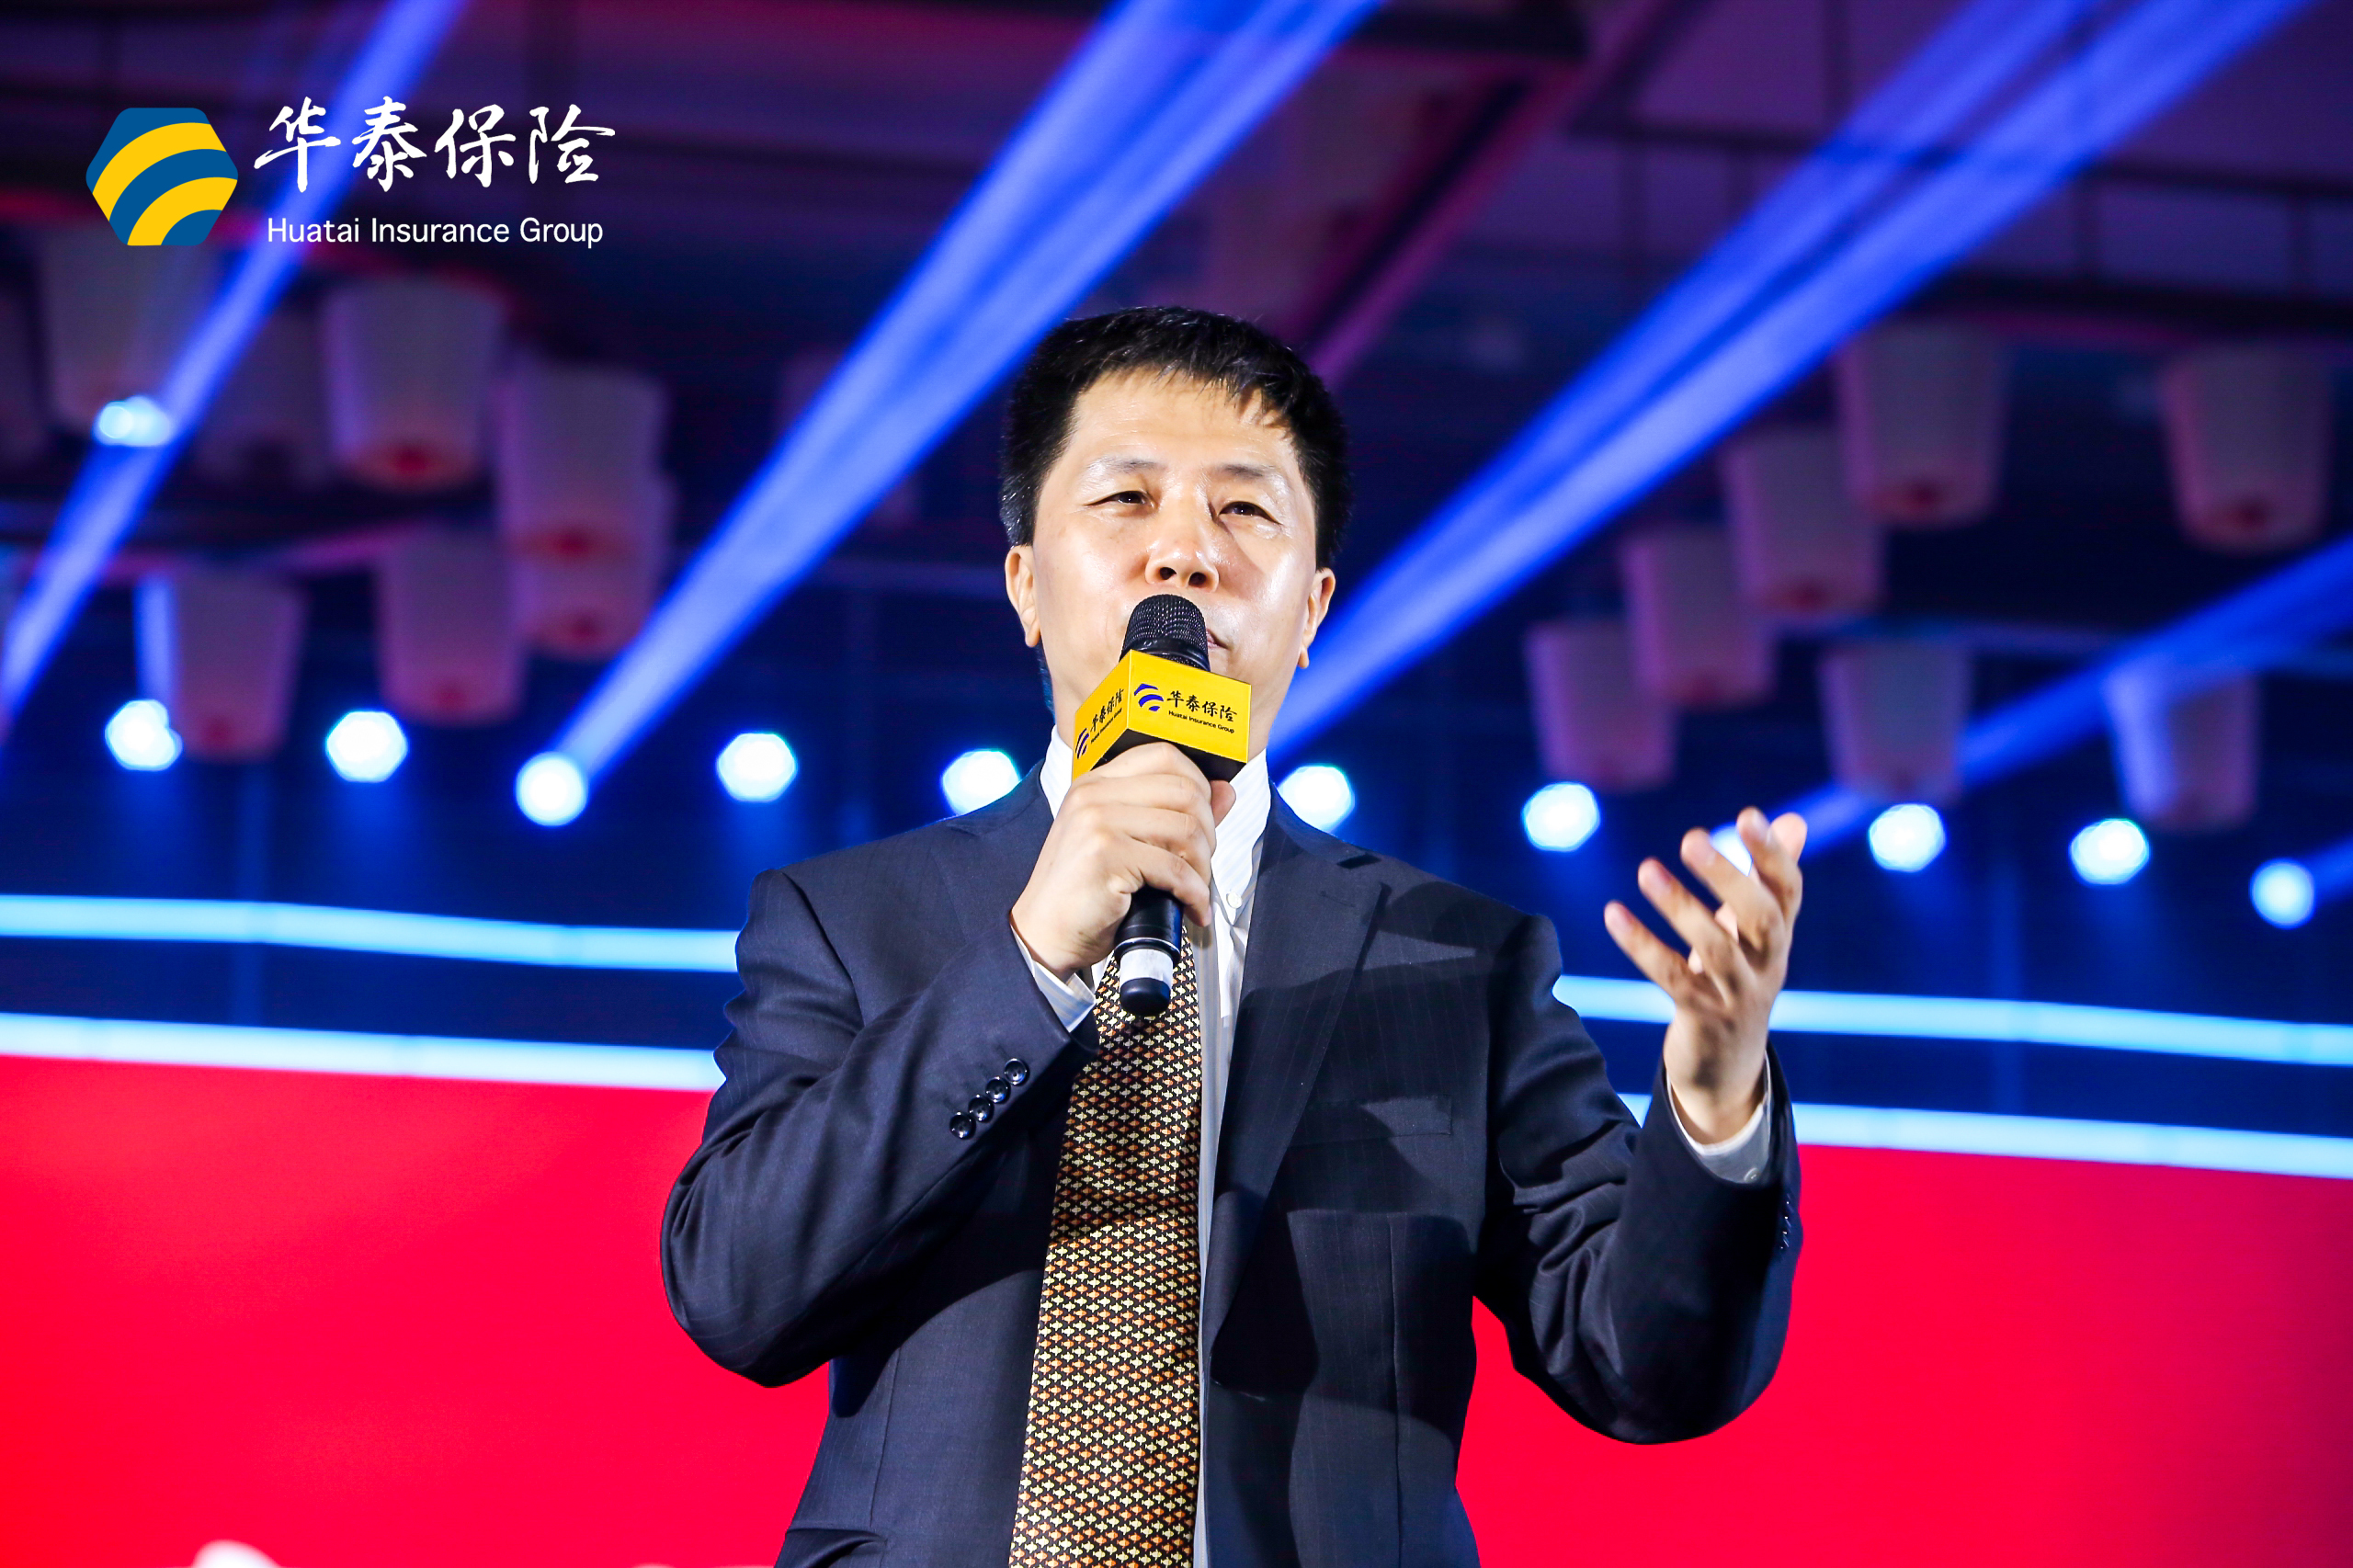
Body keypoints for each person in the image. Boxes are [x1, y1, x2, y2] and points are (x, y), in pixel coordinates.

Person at [662, 306, 1807, 1568]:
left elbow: (1651, 1365)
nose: (1185, 554)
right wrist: (1031, 957)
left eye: (1245, 510)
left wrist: (1716, 1106)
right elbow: (739, 1292)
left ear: (1312, 612)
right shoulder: (848, 917)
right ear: (1027, 584)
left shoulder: (1460, 963)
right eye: (1127, 499)